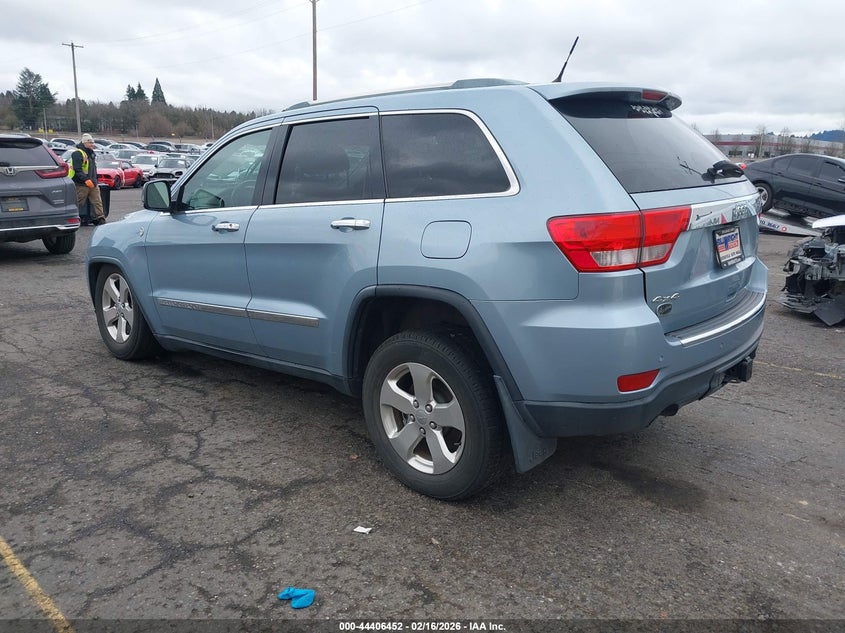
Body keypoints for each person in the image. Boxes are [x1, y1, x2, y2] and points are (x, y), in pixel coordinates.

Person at [68, 133, 106, 225]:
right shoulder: (77, 153)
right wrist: (85, 179)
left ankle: (100, 218)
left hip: (92, 183)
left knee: (97, 201)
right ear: (84, 143)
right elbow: (78, 169)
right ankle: (71, 218)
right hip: (81, 184)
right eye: (90, 143)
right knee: (78, 202)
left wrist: (95, 179)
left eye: (93, 143)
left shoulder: (91, 153)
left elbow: (93, 168)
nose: (92, 145)